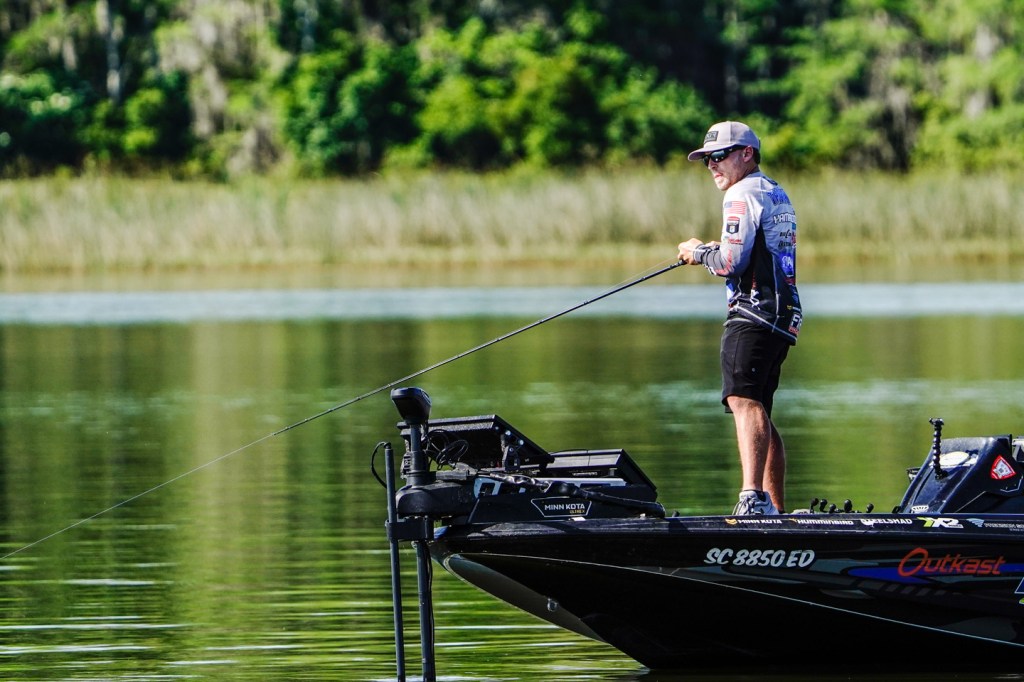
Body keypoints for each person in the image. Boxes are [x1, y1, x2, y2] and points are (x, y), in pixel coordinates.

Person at [676, 121, 802, 516]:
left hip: (752, 312)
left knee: (742, 401)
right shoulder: (773, 190)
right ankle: (775, 510)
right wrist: (717, 247)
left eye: (719, 156)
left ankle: (751, 499)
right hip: (782, 314)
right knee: (759, 408)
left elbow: (730, 263)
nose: (712, 165)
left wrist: (698, 252)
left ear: (747, 153)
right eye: (706, 160)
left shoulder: (739, 193)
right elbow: (756, 249)